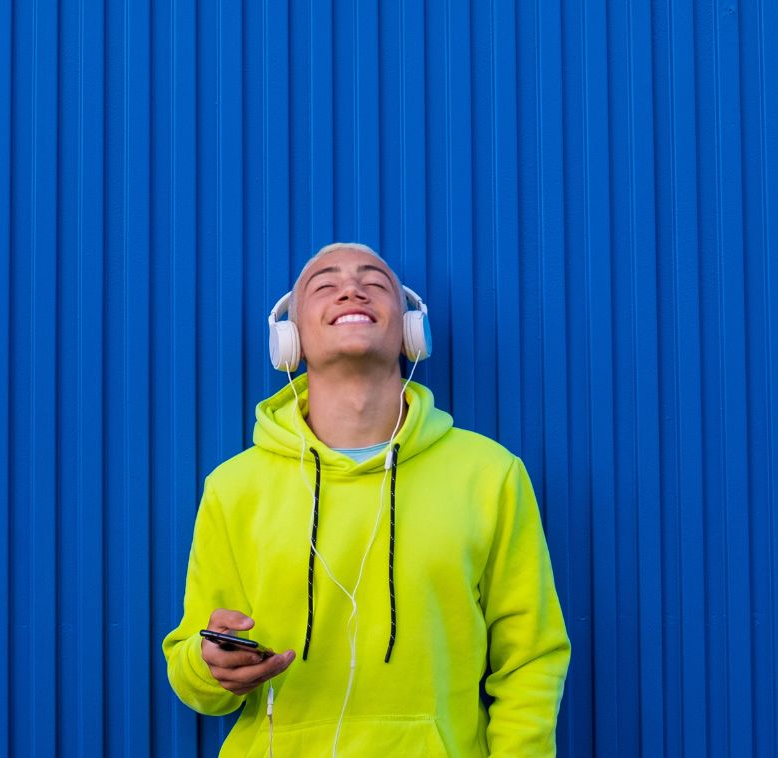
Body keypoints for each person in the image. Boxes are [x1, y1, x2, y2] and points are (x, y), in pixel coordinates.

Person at [163, 243, 570, 757]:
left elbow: (530, 658)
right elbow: (191, 670)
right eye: (324, 285)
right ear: (289, 341)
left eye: (376, 283)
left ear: (410, 332)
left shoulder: (489, 474)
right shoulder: (234, 486)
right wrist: (210, 666)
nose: (351, 289)